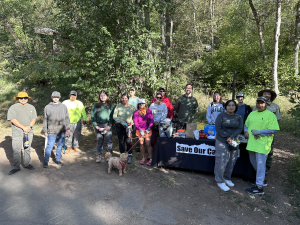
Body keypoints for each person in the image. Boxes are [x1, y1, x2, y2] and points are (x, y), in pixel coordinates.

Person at [244, 97, 280, 195]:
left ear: (266, 104)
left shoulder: (270, 115)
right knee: (253, 162)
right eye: (258, 103)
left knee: (260, 165)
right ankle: (262, 180)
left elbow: (274, 130)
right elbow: (246, 124)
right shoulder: (252, 113)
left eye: (262, 103)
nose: (259, 105)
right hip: (251, 143)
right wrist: (246, 131)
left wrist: (260, 132)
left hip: (262, 144)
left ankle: (259, 188)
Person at [214, 100, 243, 191]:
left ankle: (227, 178)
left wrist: (232, 137)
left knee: (232, 160)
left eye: (233, 105)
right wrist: (227, 137)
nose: (231, 107)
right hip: (222, 141)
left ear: (235, 107)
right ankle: (220, 181)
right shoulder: (221, 115)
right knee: (221, 161)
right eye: (229, 105)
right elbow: (218, 127)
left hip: (234, 141)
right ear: (225, 107)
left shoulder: (238, 117)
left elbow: (240, 128)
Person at [7, 92, 37, 175]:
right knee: (16, 150)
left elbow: (34, 118)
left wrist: (29, 127)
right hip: (17, 133)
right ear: (18, 99)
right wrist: (24, 128)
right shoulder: (13, 107)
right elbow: (12, 119)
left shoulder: (31, 107)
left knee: (27, 149)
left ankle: (26, 164)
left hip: (29, 133)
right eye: (21, 98)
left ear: (27, 98)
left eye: (25, 98)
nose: (23, 99)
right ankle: (16, 167)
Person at [253, 88, 281, 173]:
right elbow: (253, 118)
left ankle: (267, 167)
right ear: (262, 95)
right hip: (257, 131)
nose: (266, 95)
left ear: (271, 96)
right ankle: (256, 167)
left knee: (269, 149)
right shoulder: (257, 106)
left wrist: (274, 130)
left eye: (268, 94)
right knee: (257, 149)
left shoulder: (275, 107)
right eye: (265, 93)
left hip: (269, 132)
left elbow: (278, 120)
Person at [43, 91, 71, 168]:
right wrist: (45, 130)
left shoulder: (63, 106)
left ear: (59, 98)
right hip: (51, 130)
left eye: (57, 97)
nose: (56, 99)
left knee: (59, 146)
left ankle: (58, 159)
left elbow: (67, 118)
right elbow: (45, 119)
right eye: (54, 97)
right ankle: (46, 161)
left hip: (62, 130)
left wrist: (68, 128)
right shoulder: (47, 107)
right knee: (49, 146)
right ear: (51, 97)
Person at [91, 91, 115, 163]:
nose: (102, 97)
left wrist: (109, 125)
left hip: (107, 125)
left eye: (104, 95)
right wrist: (95, 125)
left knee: (108, 141)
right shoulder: (96, 105)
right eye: (101, 95)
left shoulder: (111, 105)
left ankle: (109, 156)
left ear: (107, 96)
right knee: (99, 140)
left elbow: (112, 116)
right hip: (99, 125)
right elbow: (93, 116)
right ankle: (98, 155)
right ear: (99, 97)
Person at [113, 94, 136, 163]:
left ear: (128, 99)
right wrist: (122, 122)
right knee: (121, 141)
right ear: (121, 99)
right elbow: (114, 116)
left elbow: (135, 117)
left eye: (125, 98)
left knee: (128, 141)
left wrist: (132, 124)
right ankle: (122, 155)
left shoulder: (132, 107)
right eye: (123, 98)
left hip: (129, 126)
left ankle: (129, 155)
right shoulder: (118, 107)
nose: (124, 99)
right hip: (120, 126)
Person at [134, 99, 154, 166]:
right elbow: (135, 122)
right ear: (138, 105)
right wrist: (139, 130)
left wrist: (149, 128)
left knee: (148, 144)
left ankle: (151, 158)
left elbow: (151, 120)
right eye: (140, 103)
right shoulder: (136, 112)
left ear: (145, 104)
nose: (141, 105)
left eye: (142, 103)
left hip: (147, 129)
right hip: (140, 130)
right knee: (141, 144)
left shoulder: (148, 111)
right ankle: (143, 158)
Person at [128, 86, 140, 152]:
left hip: (136, 116)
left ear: (135, 92)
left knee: (136, 131)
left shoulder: (137, 99)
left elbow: (140, 107)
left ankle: (137, 146)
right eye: (130, 90)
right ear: (129, 91)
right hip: (129, 117)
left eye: (133, 90)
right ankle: (129, 145)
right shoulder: (127, 99)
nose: (131, 92)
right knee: (129, 131)